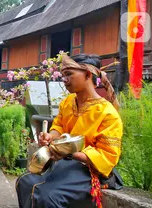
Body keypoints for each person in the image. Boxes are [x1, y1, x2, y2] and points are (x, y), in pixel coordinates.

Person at [16, 54, 123, 208]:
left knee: (47, 195)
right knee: (25, 181)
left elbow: (107, 155)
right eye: (63, 75)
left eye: (69, 74)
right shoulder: (67, 102)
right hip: (65, 163)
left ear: (87, 74)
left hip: (88, 170)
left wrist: (69, 153)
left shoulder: (107, 113)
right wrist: (49, 137)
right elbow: (59, 127)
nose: (64, 79)